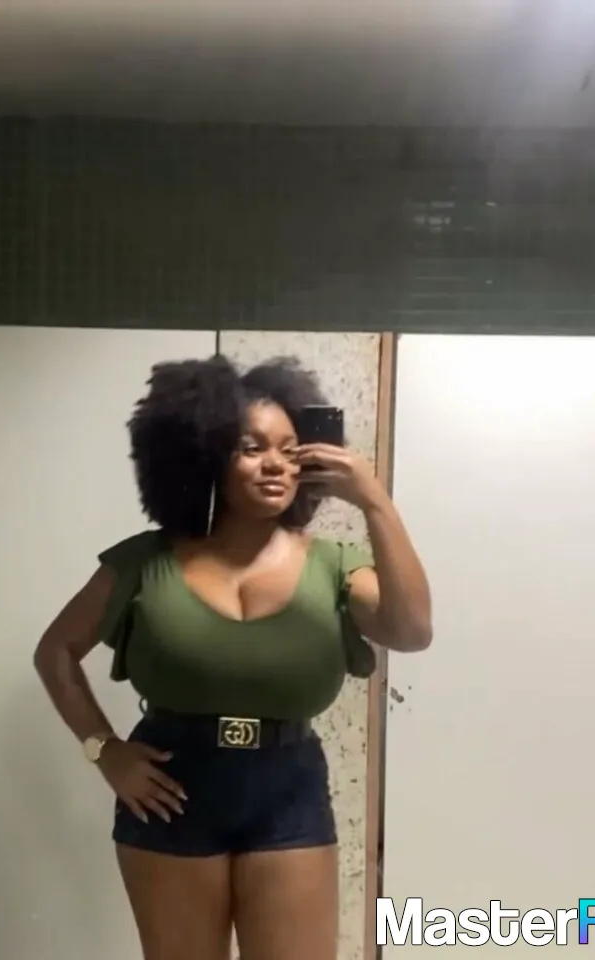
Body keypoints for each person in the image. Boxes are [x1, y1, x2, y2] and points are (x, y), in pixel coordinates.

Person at [34, 354, 432, 960]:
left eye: (290, 450)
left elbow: (412, 630)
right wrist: (104, 749)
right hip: (170, 785)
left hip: (288, 787)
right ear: (206, 454)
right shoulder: (145, 560)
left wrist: (373, 501)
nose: (276, 464)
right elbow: (56, 651)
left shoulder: (333, 565)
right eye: (252, 448)